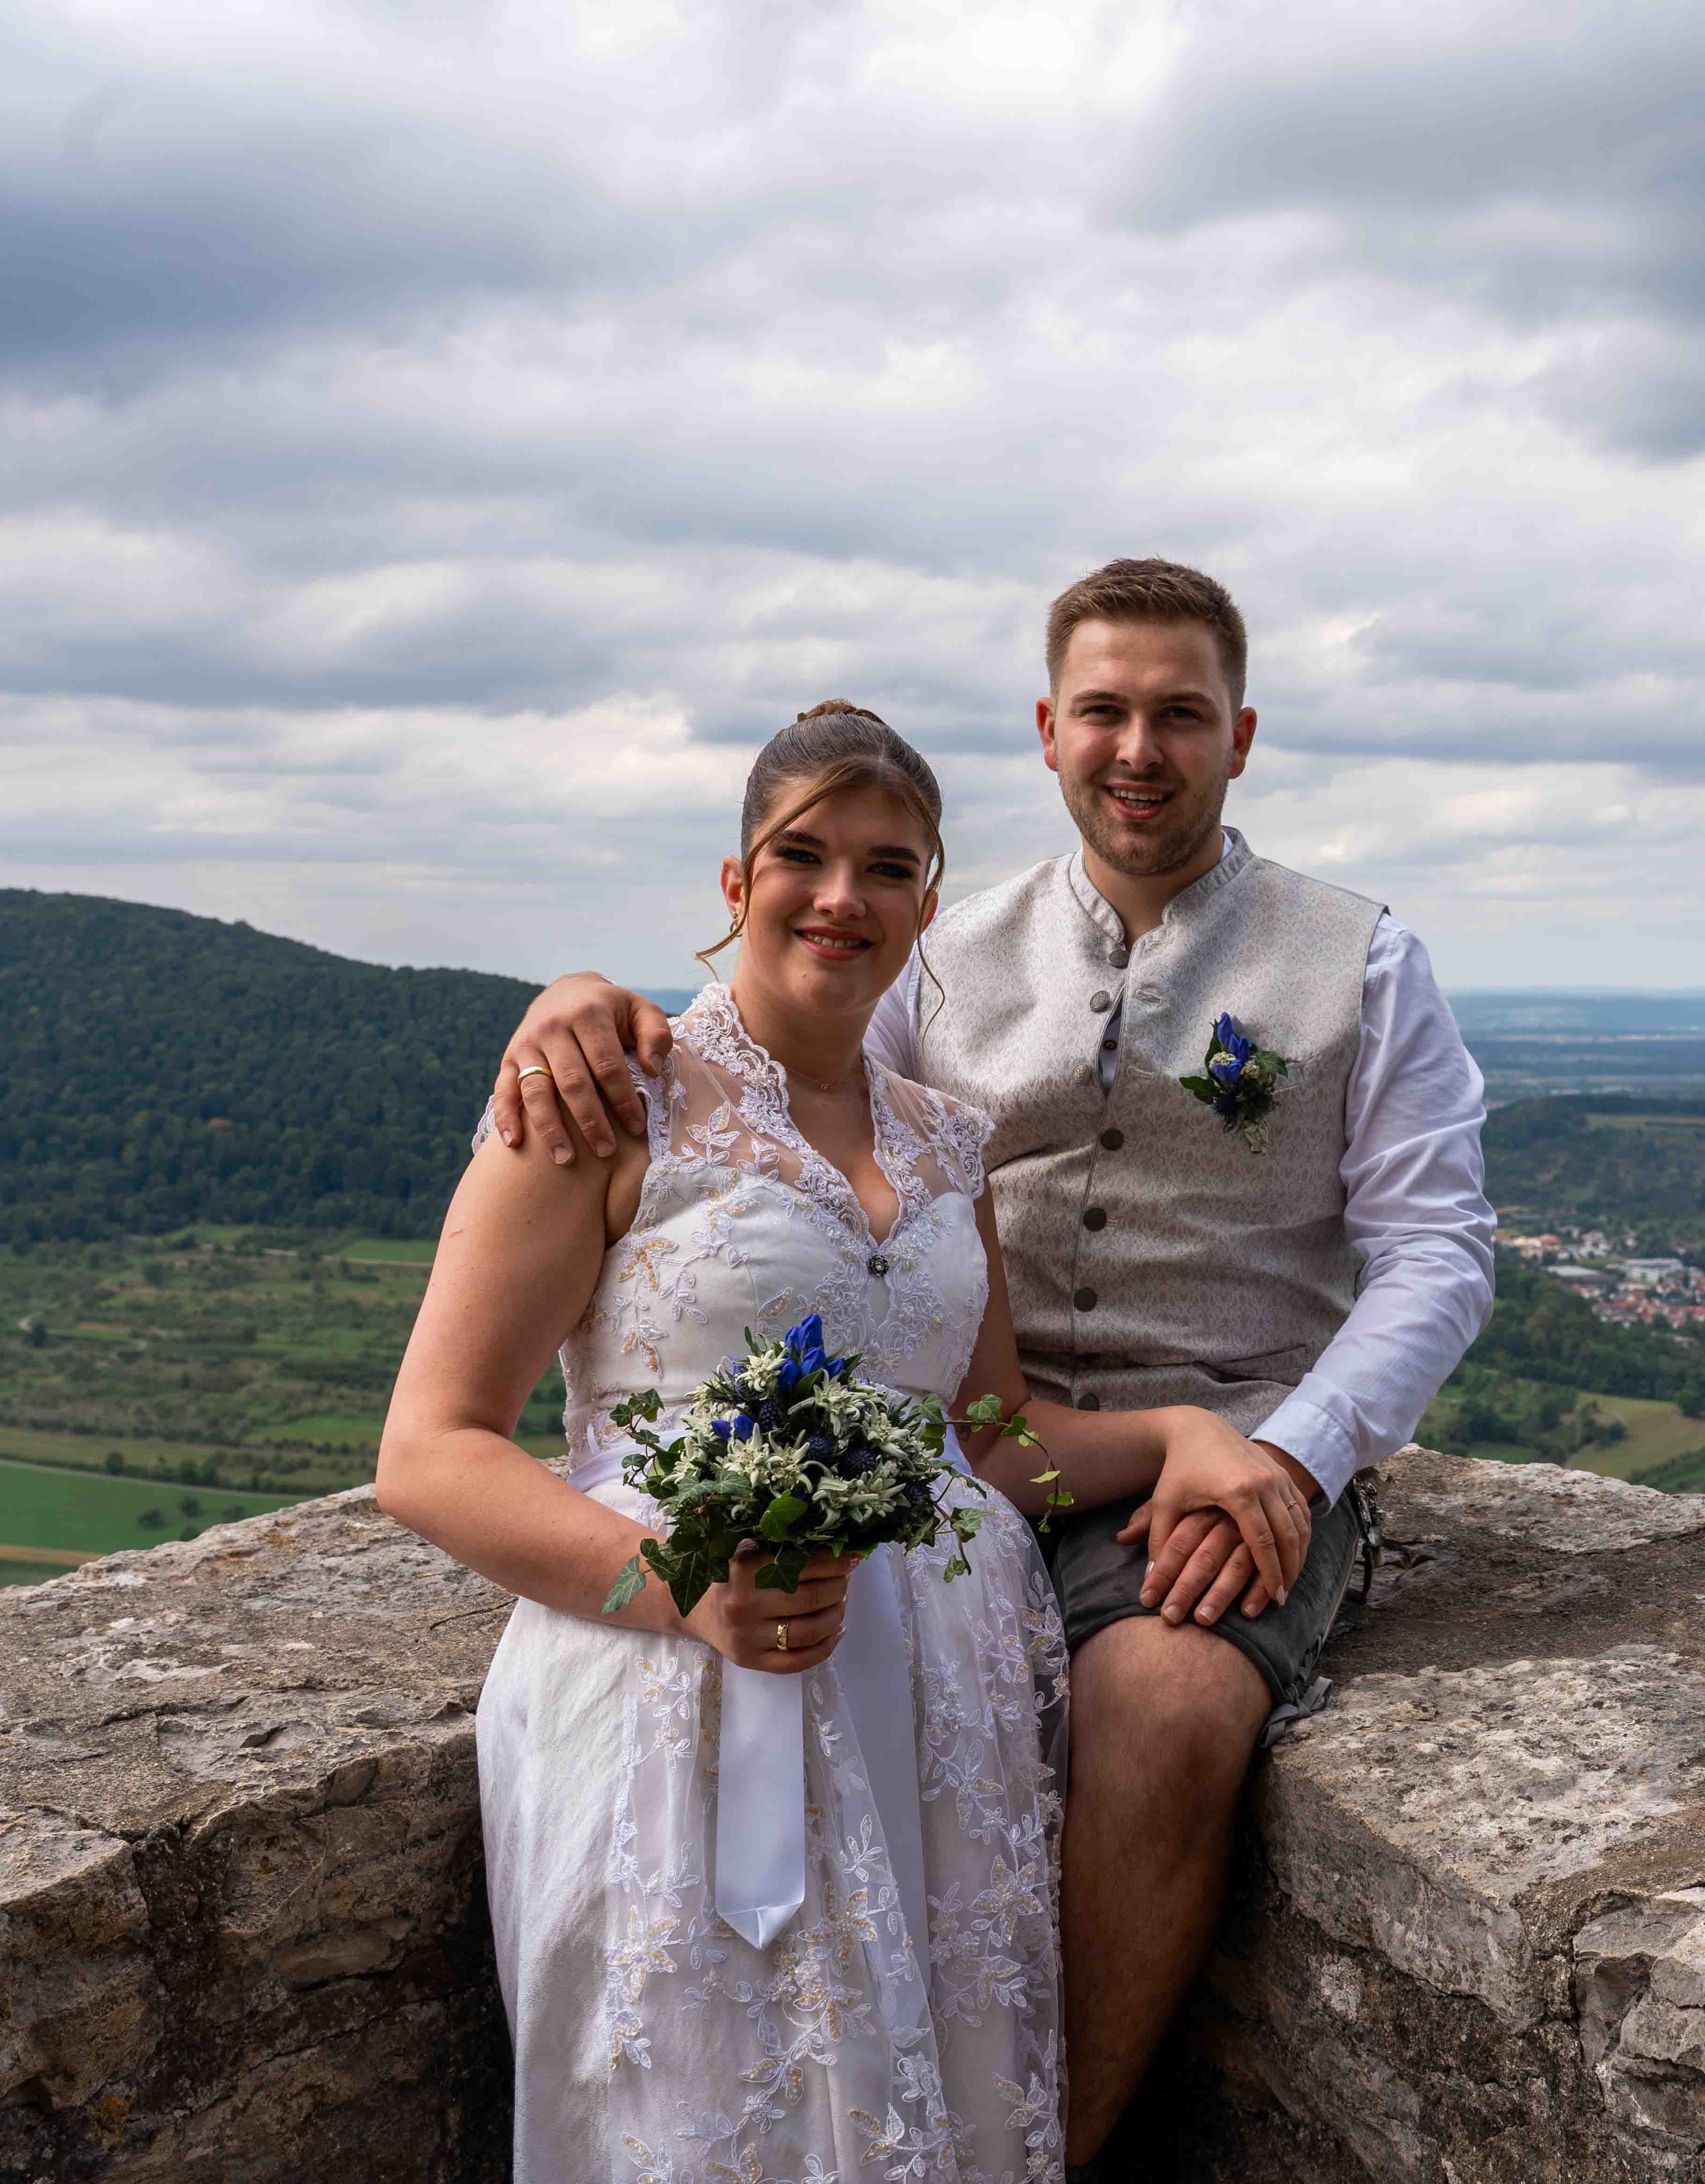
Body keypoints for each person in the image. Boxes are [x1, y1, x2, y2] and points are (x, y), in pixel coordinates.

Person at [492, 559, 1496, 2175]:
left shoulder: (1363, 959)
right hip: (972, 1454)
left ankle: (1052, 2153)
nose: (1139, 749)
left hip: (1223, 1449)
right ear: (1048, 730)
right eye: (1105, 711)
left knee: (1163, 1698)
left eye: (1181, 715)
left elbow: (1438, 1254)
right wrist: (586, 1007)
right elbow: (765, 1108)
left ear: (1241, 737)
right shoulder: (935, 950)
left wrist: (1291, 1454)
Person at [379, 702, 1308, 2183]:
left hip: (947, 1713)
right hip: (684, 1688)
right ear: (736, 882)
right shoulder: (606, 1106)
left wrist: (1186, 1434)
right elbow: (431, 1449)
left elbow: (993, 1444)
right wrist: (677, 1588)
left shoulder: (949, 1144)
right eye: (803, 857)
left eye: (887, 868)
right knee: (708, 2109)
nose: (842, 897)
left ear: (927, 906)